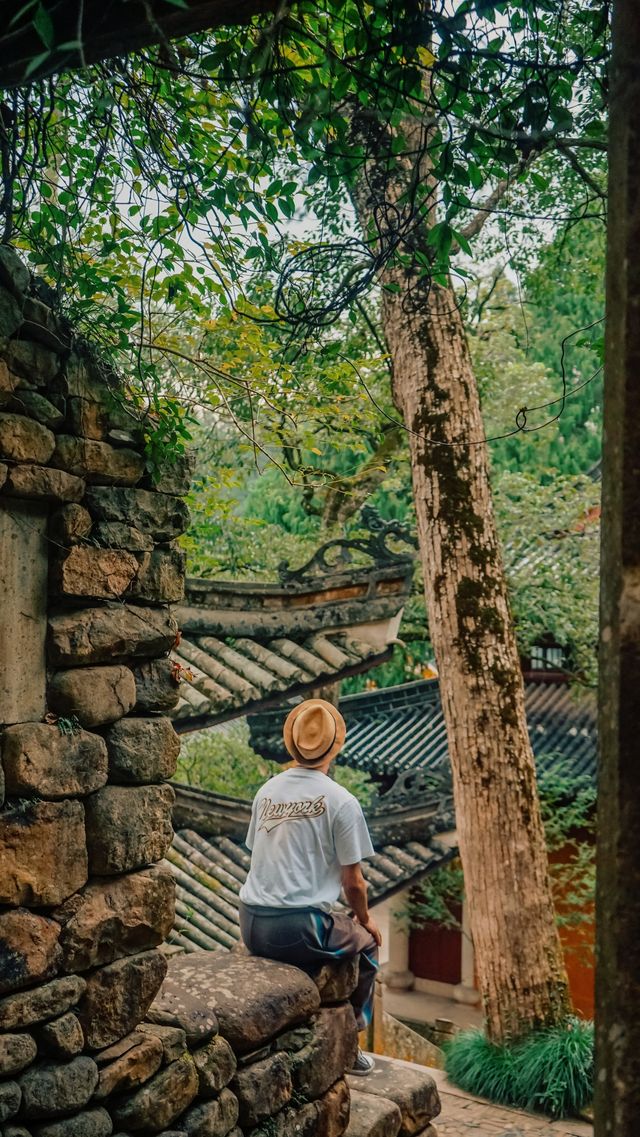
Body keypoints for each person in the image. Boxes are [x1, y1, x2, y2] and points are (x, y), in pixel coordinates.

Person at [239, 697, 382, 1076]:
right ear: (335, 747)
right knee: (368, 947)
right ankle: (351, 1039)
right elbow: (354, 883)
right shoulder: (341, 801)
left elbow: (259, 852)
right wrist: (365, 920)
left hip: (251, 923)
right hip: (297, 928)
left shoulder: (266, 791)